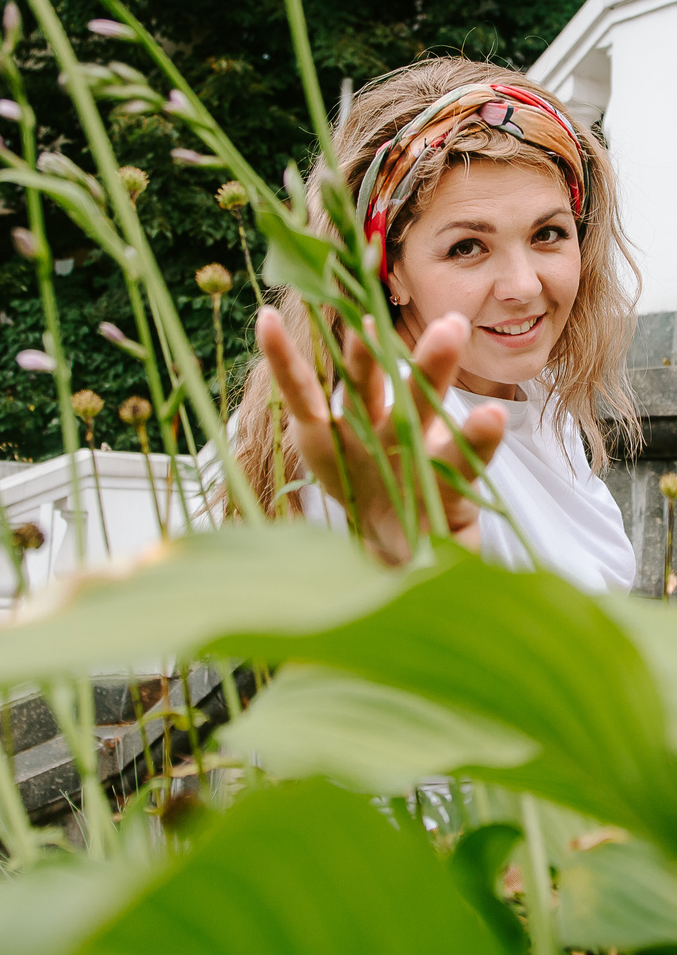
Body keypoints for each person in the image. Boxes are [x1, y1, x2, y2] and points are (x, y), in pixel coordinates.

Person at [233, 57, 641, 591]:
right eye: (467, 247)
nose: (523, 285)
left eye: (548, 234)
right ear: (390, 270)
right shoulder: (385, 435)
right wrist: (396, 560)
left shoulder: (531, 397)